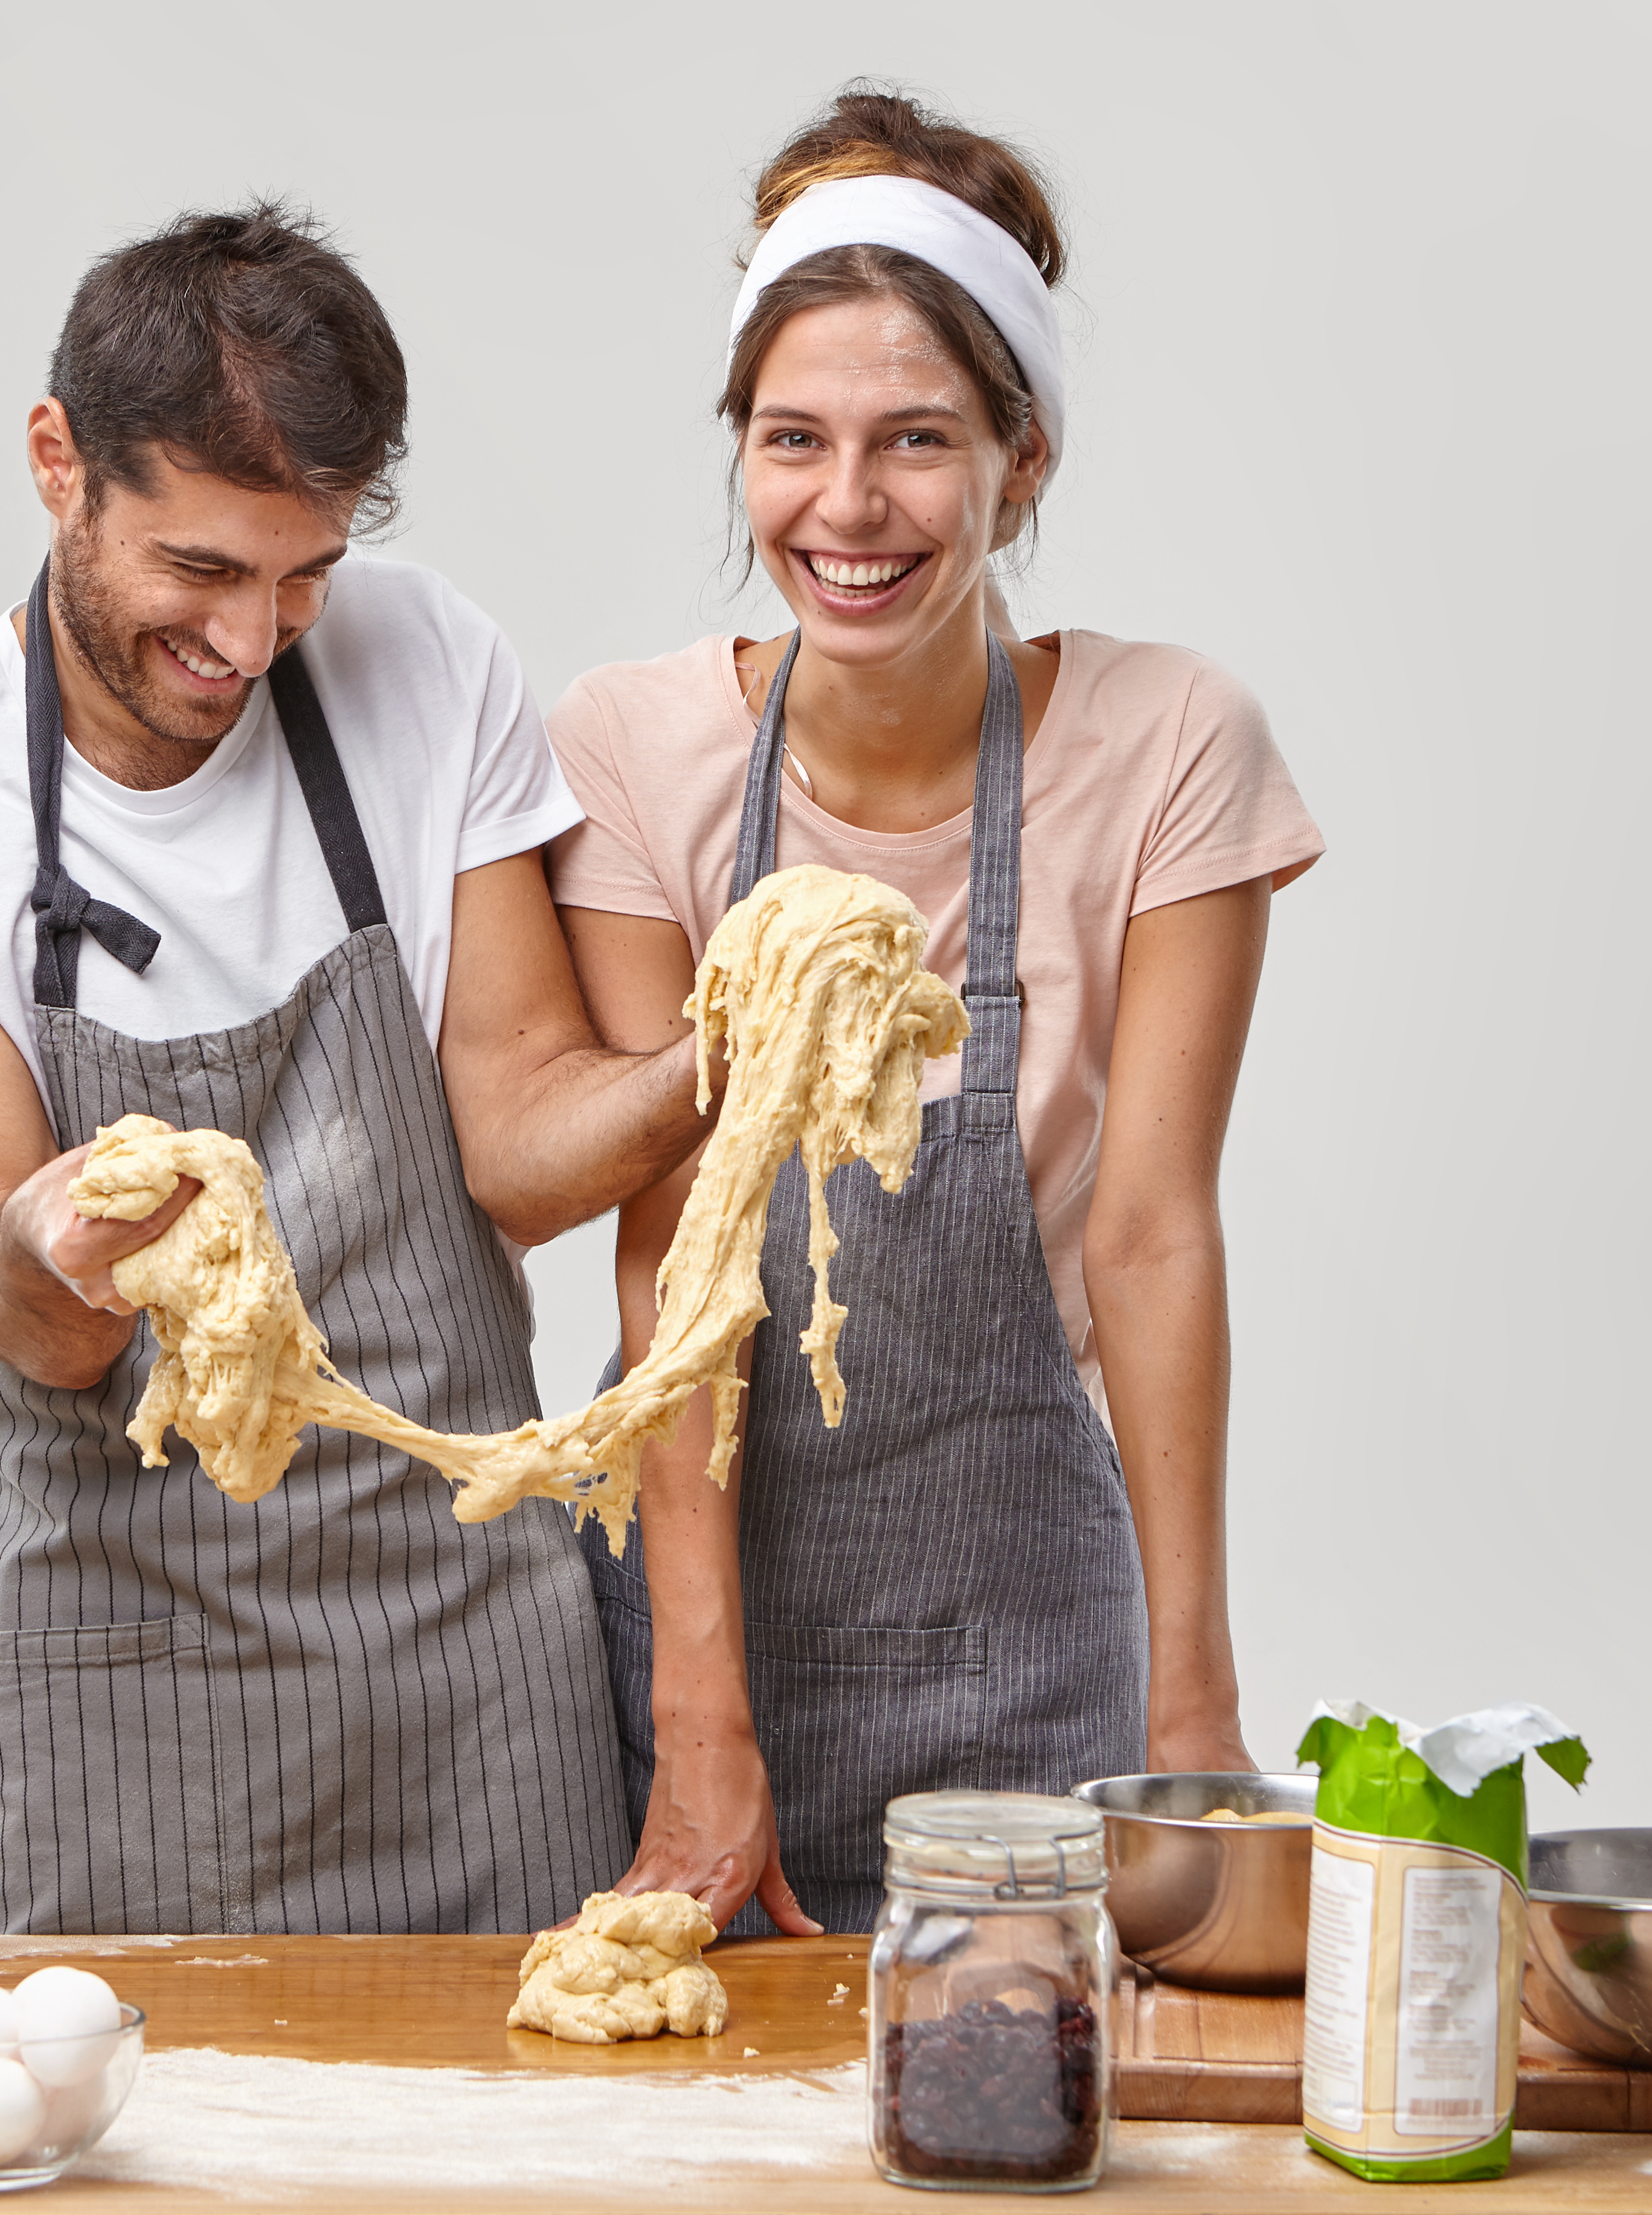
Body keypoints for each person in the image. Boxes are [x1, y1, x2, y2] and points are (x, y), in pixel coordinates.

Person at [0, 204, 713, 1935]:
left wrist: (713, 1063)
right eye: (200, 571)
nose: (252, 638)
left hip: (472, 1674)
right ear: (59, 463)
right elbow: (20, 1301)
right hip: (129, 1684)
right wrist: (58, 1242)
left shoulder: (428, 666)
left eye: (305, 576)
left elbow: (513, 1144)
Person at [547, 91, 1326, 1934]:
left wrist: (1194, 1701)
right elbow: (675, 1271)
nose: (849, 507)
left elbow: (1148, 1240)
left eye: (918, 441)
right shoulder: (633, 748)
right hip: (700, 1589)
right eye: (792, 440)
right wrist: (702, 1716)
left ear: (1022, 459)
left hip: (1031, 1626)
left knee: (1036, 2120)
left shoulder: (1169, 744)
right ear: (739, 448)